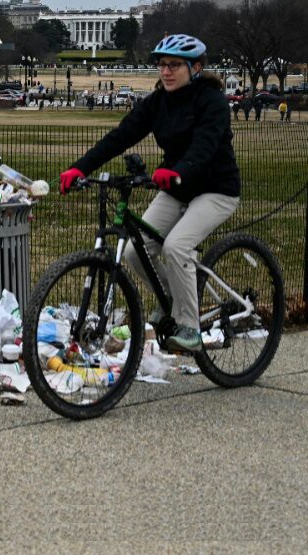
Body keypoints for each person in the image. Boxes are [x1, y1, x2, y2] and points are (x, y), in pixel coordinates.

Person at [58, 34, 240, 352]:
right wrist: (80, 168)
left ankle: (190, 328)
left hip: (215, 189)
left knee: (177, 247)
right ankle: (172, 297)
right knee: (133, 251)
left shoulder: (211, 101)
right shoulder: (157, 102)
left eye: (174, 65)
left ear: (195, 68)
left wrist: (178, 171)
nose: (166, 72)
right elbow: (120, 136)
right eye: (161, 65)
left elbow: (205, 145)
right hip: (176, 189)